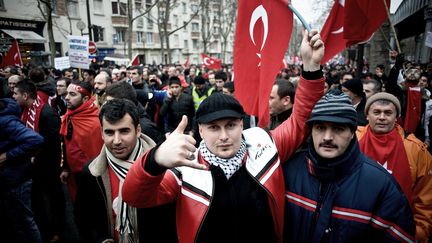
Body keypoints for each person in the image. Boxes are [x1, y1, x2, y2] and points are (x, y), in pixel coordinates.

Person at [121, 30, 325, 243]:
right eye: (214, 128)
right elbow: (134, 197)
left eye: (230, 125)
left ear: (241, 124)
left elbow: (301, 119)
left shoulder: (264, 144)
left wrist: (311, 68)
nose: (224, 136)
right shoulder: (185, 168)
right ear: (200, 130)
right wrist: (155, 159)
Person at [283, 90, 415, 243]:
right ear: (311, 130)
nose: (327, 137)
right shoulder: (289, 171)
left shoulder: (381, 185)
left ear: (353, 132)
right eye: (320, 128)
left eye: (338, 129)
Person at [74, 99, 176, 243]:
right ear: (102, 134)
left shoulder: (162, 169)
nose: (116, 140)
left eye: (124, 131)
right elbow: (84, 218)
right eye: (109, 132)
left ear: (138, 130)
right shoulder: (91, 172)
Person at [357, 92, 432, 243]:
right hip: (356, 226)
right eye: (376, 112)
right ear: (367, 115)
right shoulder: (351, 140)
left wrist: (418, 234)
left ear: (397, 116)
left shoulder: (416, 150)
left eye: (388, 113)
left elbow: (424, 198)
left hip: (399, 231)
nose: (382, 117)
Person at [13, 80, 65, 242]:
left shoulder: (47, 114)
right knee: (37, 201)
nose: (13, 96)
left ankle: (58, 230)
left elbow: (55, 145)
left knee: (52, 199)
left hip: (48, 167)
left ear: (25, 95)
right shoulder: (24, 111)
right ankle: (44, 227)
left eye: (15, 93)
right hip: (32, 166)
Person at [0, 98, 44, 243]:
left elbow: (35, 140)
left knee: (24, 222)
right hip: (10, 178)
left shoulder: (5, 120)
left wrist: (7, 156)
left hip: (15, 179)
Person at [59, 80, 103, 201]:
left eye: (73, 94)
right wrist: (65, 168)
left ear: (85, 99)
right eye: (67, 93)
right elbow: (65, 144)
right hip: (73, 175)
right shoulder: (69, 116)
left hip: (92, 177)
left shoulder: (95, 122)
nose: (67, 98)